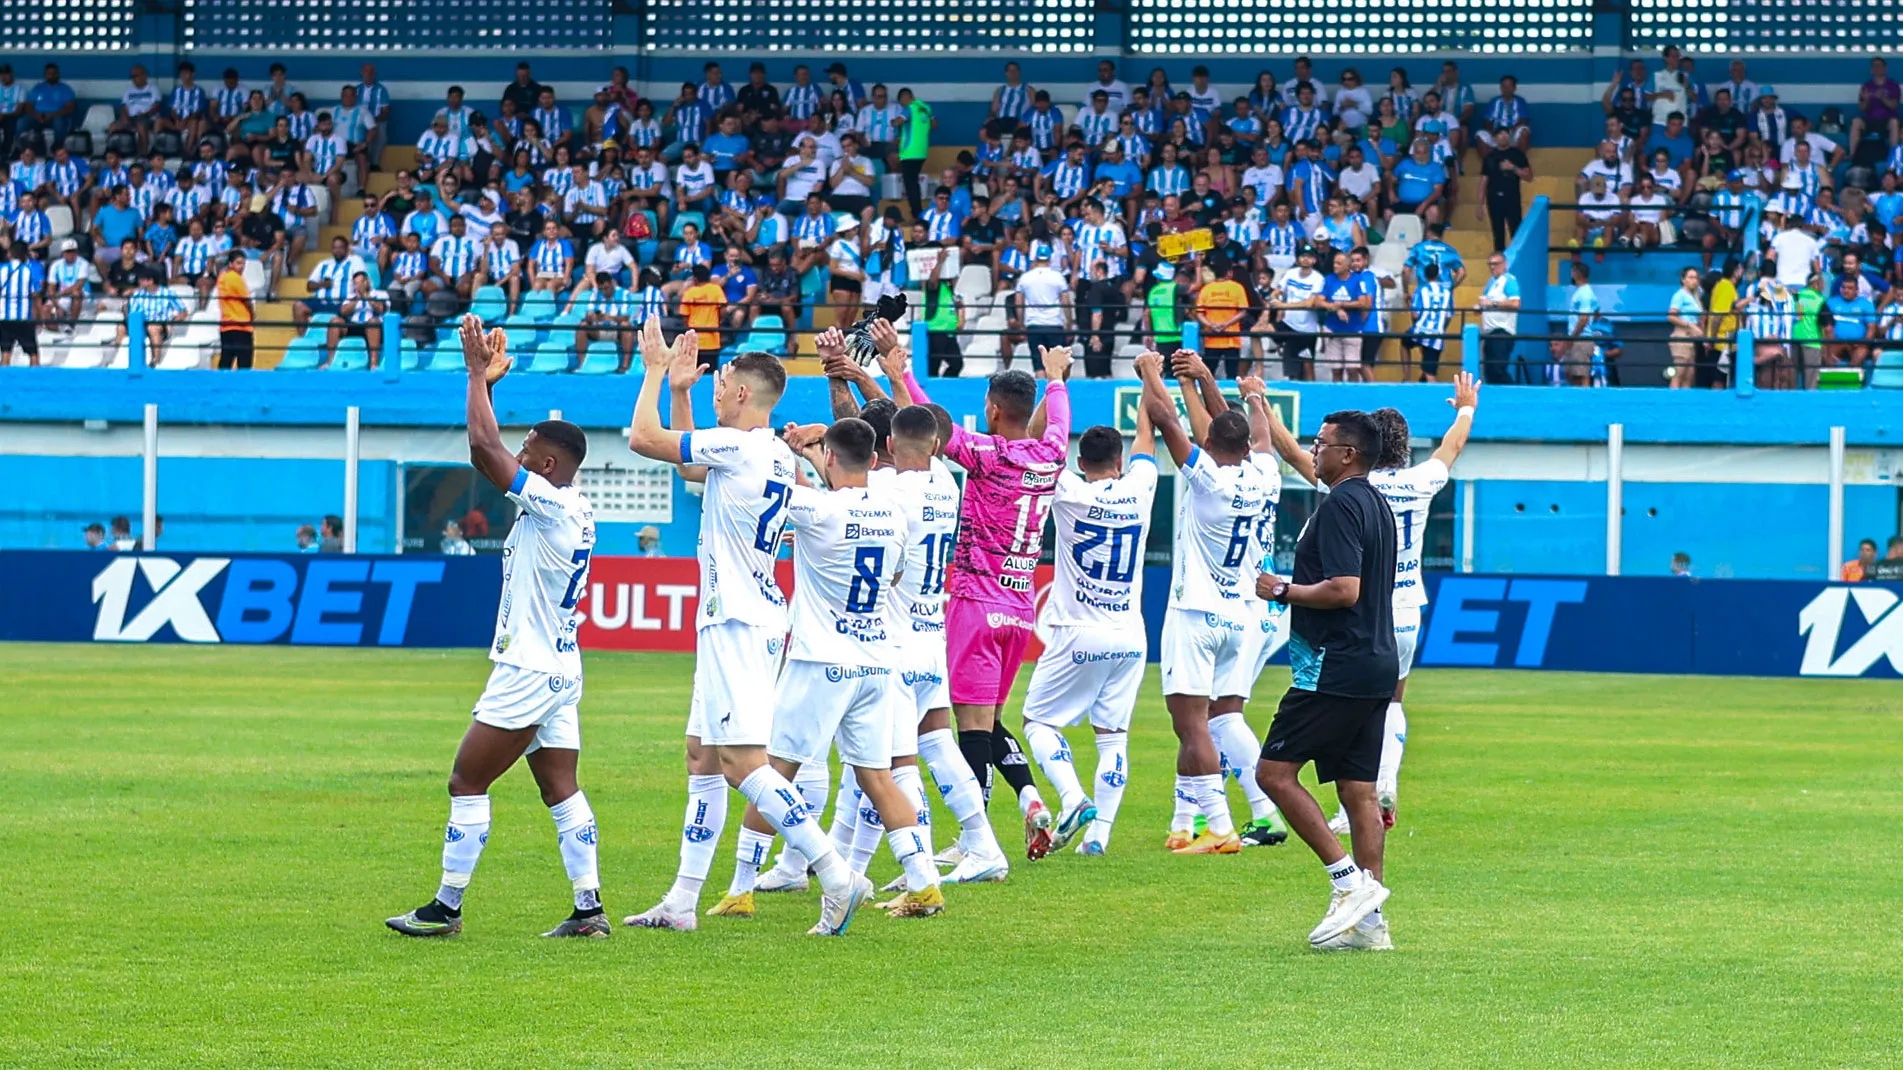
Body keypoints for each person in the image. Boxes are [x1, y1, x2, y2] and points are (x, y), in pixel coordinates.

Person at [625, 319, 873, 935]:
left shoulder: (742, 447)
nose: (715, 388)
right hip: (748, 613)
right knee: (703, 757)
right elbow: (690, 468)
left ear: (742, 394)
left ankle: (837, 875)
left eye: (720, 382)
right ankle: (682, 901)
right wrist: (683, 391)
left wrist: (656, 369)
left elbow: (642, 438)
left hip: (737, 616)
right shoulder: (768, 454)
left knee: (741, 763)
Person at [384, 316, 604, 940]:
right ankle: (589, 908)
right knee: (560, 787)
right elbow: (497, 450)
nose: (520, 450)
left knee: (466, 779)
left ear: (551, 461)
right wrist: (489, 388)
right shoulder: (570, 506)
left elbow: (484, 451)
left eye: (530, 446)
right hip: (562, 666)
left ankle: (446, 908)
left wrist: (477, 374)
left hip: (530, 667)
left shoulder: (553, 502)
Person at [710, 416, 947, 922]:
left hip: (821, 658)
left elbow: (773, 493)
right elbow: (899, 571)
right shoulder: (894, 513)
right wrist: (814, 458)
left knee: (774, 772)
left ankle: (741, 887)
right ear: (877, 459)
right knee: (877, 776)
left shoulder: (816, 508)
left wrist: (789, 451)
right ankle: (924, 883)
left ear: (832, 458)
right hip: (878, 659)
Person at [897, 342, 1074, 858]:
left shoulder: (987, 455)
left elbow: (935, 428)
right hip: (1020, 608)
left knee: (970, 727)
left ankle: (973, 842)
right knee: (991, 722)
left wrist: (902, 371)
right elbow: (1058, 421)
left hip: (977, 598)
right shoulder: (1052, 454)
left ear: (993, 409)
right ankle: (1031, 800)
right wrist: (1057, 377)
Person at [1253, 408, 1398, 951]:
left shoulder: (1341, 505)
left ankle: (1349, 884)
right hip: (1376, 661)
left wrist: (1283, 590)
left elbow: (1344, 590)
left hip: (1335, 663)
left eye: (1321, 443)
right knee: (1358, 790)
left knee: (1273, 774)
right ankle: (1371, 924)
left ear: (1348, 455)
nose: (1314, 451)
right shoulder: (1377, 503)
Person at [1138, 349, 1279, 855]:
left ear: (1209, 443)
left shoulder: (1208, 478)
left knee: (1190, 723)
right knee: (1202, 721)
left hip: (1195, 611)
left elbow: (1167, 420)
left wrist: (1152, 374)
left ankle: (1219, 826)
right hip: (1240, 615)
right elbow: (1251, 432)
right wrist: (1210, 383)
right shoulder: (1264, 474)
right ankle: (1184, 823)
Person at [1020, 411, 1157, 856]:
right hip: (1130, 632)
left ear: (1081, 460)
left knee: (1038, 721)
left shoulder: (1069, 489)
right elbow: (1147, 443)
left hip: (1079, 630)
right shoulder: (1141, 487)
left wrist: (1053, 383)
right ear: (1120, 461)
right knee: (1113, 735)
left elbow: (1035, 444)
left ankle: (1074, 797)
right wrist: (1147, 393)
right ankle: (1098, 838)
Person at [1195, 262, 1248, 377]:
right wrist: (1225, 325)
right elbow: (1243, 311)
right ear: (1229, 273)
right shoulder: (1237, 287)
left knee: (1208, 375)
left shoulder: (1206, 289)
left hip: (1212, 337)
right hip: (1231, 337)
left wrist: (1211, 325)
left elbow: (1199, 313)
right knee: (1232, 375)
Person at [1477, 252, 1521, 384]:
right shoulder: (1491, 282)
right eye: (1490, 264)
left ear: (1504, 265)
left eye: (1495, 264)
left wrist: (1493, 303)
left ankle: (1513, 395)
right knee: (1489, 371)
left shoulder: (1508, 280)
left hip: (1502, 331)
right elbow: (1486, 302)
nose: (1492, 267)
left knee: (1497, 369)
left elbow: (1516, 303)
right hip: (1489, 332)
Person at [214, 251, 253, 370]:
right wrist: (253, 315)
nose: (241, 266)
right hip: (240, 325)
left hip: (226, 325)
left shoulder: (222, 276)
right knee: (244, 363)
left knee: (226, 360)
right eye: (238, 263)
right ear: (230, 263)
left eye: (243, 263)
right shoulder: (235, 277)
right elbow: (247, 300)